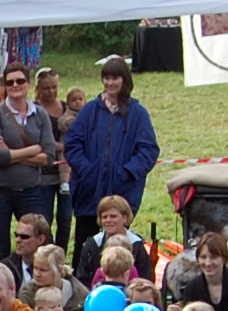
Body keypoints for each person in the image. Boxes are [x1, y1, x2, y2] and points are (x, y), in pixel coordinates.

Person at [64, 56, 160, 226]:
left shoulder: (138, 114)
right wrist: (87, 170)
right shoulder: (89, 110)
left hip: (123, 193)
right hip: (89, 193)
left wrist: (127, 172)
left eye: (115, 78)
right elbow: (72, 143)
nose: (110, 83)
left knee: (118, 241)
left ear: (125, 80)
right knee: (86, 240)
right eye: (106, 78)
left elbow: (148, 151)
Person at [0, 61, 61, 242]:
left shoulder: (40, 114)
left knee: (43, 241)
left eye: (20, 81)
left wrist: (11, 152)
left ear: (28, 84)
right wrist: (32, 149)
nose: (15, 85)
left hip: (30, 189)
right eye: (10, 82)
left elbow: (48, 158)